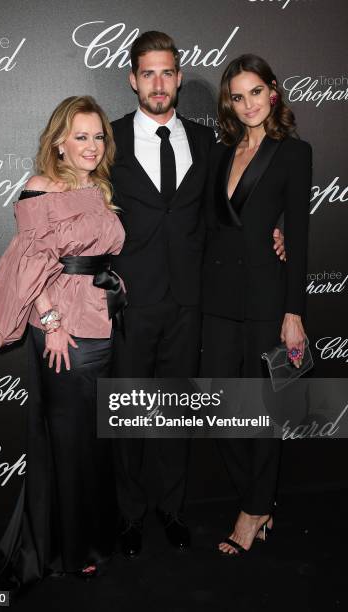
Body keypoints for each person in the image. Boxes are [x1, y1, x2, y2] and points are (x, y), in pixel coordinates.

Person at [109, 32, 285, 559]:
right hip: (131, 303)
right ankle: (130, 515)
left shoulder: (208, 143)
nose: (158, 84)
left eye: (167, 73)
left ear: (180, 78)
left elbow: (234, 211)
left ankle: (171, 508)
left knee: (175, 415)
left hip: (192, 303)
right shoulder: (109, 140)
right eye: (148, 74)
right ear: (133, 79)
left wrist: (279, 230)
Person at [0, 95, 126, 587]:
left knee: (93, 439)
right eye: (80, 136)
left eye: (98, 136)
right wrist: (51, 321)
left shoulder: (101, 188)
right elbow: (31, 263)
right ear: (59, 143)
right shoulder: (39, 188)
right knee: (66, 442)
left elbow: (99, 257)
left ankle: (94, 535)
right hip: (63, 331)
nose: (91, 145)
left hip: (104, 324)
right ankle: (67, 548)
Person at [201, 54, 312, 555]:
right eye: (238, 96)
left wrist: (294, 312)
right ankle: (259, 499)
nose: (248, 104)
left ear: (273, 91)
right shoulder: (220, 153)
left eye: (256, 92)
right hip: (218, 301)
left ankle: (252, 511)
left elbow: (301, 237)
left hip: (268, 300)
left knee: (265, 412)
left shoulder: (293, 152)